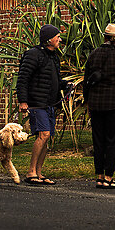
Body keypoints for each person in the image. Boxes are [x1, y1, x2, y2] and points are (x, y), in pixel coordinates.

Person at [16, 23, 70, 186]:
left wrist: (65, 86)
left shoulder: (53, 56)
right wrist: (23, 101)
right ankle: (31, 172)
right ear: (48, 39)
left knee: (47, 138)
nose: (60, 39)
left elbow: (53, 80)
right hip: (36, 103)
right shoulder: (33, 54)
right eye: (57, 37)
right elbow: (23, 78)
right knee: (43, 134)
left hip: (50, 103)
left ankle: (39, 173)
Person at [83, 23, 115, 189]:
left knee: (98, 140)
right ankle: (108, 177)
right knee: (112, 141)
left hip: (96, 104)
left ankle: (99, 176)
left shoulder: (93, 55)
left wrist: (88, 101)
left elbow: (86, 82)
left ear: (104, 37)